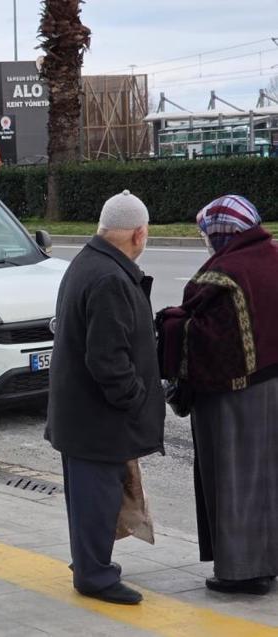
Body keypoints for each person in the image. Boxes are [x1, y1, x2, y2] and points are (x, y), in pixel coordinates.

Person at [45, 190, 165, 605]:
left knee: (88, 498)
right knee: (97, 498)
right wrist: (135, 398)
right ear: (138, 234)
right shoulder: (111, 277)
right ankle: (94, 576)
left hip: (80, 414)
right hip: (97, 418)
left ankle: (89, 566)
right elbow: (107, 358)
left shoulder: (88, 262)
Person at [157, 195, 278, 596]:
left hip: (235, 399)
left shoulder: (221, 276)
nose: (206, 241)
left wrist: (171, 323)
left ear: (223, 234)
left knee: (236, 480)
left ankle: (243, 572)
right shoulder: (274, 256)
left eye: (208, 233)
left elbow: (210, 342)